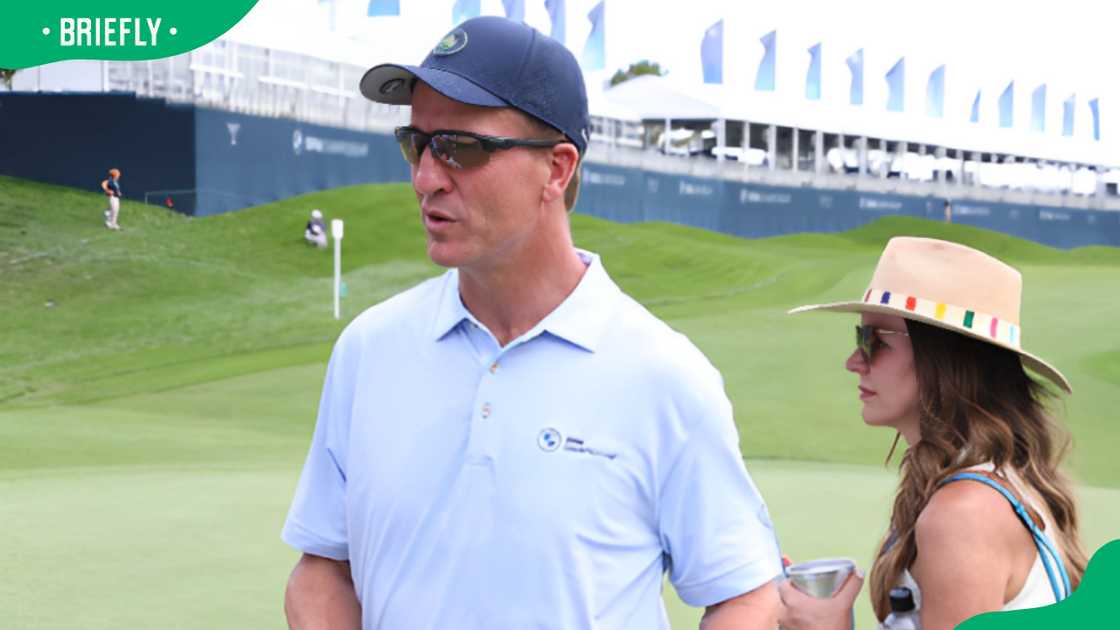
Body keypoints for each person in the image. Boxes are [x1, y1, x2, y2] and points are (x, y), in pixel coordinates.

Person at [281, 16, 782, 630]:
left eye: (460, 148)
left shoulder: (664, 375)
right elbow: (323, 569)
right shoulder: (369, 348)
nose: (424, 178)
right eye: (417, 143)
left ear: (558, 167)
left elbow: (746, 596)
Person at [780, 237, 1088, 629]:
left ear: (943, 361)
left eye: (874, 341)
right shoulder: (991, 484)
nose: (854, 361)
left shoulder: (963, 514)